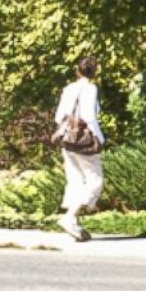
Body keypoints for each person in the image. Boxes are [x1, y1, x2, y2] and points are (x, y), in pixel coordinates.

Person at [55, 55, 105, 241]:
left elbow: (58, 116)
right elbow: (89, 116)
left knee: (75, 179)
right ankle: (69, 218)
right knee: (95, 181)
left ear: (77, 70)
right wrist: (99, 138)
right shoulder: (90, 88)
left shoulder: (69, 88)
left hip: (67, 138)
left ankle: (73, 221)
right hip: (84, 141)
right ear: (95, 71)